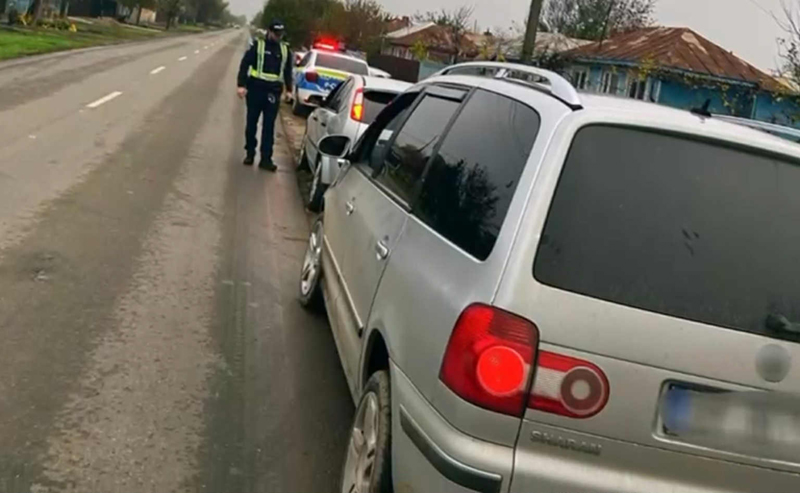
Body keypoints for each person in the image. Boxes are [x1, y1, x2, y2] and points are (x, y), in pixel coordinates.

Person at [236, 20, 293, 171]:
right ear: (269, 31)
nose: (278, 37)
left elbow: (288, 71)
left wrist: (289, 90)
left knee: (269, 127)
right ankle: (250, 153)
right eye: (276, 33)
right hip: (255, 89)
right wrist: (241, 85)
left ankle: (266, 159)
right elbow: (245, 64)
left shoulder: (285, 49)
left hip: (273, 92)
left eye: (280, 34)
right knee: (251, 124)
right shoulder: (258, 46)